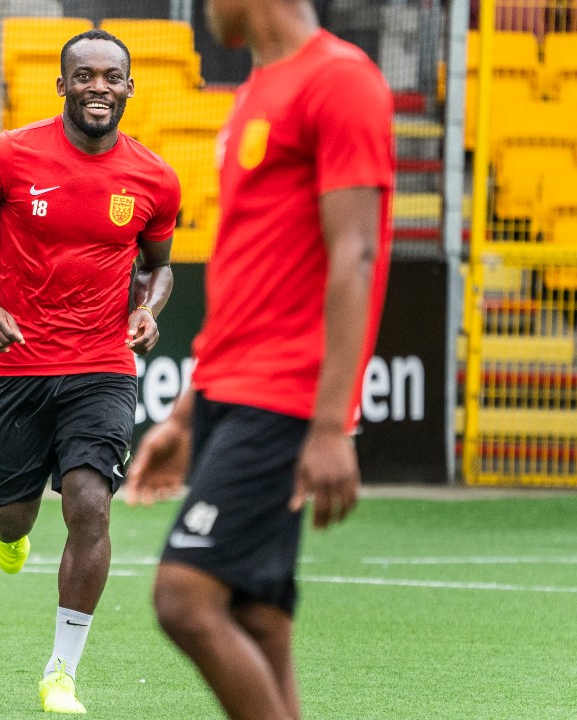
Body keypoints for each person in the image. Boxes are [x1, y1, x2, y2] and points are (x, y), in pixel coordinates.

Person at [131, 1, 396, 719]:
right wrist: (188, 412)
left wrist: (331, 425)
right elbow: (247, 275)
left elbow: (357, 254)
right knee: (258, 620)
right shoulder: (253, 91)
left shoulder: (340, 80)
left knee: (184, 598)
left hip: (285, 398)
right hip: (231, 393)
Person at [0, 28, 180, 715]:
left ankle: (61, 674)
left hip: (103, 364)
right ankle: (4, 523)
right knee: (11, 520)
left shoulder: (154, 177)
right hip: (17, 363)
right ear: (63, 84)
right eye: (85, 75)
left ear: (129, 87)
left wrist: (149, 308)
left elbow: (160, 267)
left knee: (90, 504)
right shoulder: (9, 156)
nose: (98, 86)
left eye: (112, 76)